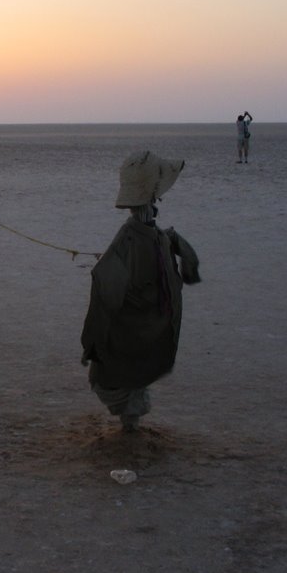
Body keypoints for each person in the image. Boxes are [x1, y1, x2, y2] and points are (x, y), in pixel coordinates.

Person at [80, 151, 201, 432]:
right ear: (154, 193)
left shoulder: (148, 235)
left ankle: (130, 426)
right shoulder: (132, 239)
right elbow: (105, 281)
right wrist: (94, 341)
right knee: (123, 368)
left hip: (146, 319)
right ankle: (129, 427)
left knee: (135, 365)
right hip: (133, 323)